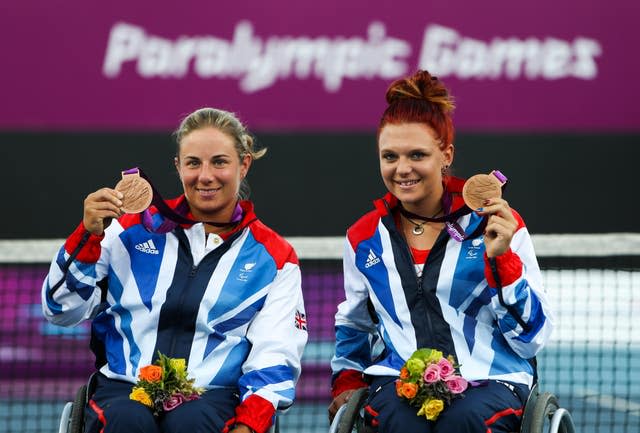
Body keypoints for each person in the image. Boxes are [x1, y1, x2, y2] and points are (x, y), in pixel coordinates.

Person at [42, 107, 308, 433]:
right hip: (124, 389)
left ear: (244, 164)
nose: (205, 176)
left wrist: (250, 424)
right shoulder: (128, 231)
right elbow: (60, 309)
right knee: (128, 420)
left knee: (190, 422)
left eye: (220, 162)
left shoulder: (276, 258)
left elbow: (274, 355)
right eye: (194, 163)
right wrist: (87, 235)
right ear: (178, 167)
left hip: (213, 398)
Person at [328, 70, 554, 433]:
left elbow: (531, 339)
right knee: (400, 421)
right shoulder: (364, 237)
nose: (402, 169)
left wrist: (502, 261)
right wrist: (347, 381)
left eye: (417, 154)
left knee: (462, 419)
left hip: (491, 380)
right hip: (399, 381)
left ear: (445, 155)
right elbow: (355, 322)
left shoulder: (495, 223)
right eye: (390, 156)